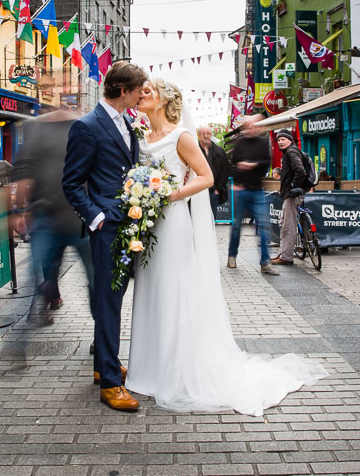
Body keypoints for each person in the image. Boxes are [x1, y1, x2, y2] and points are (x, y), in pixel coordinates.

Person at [125, 79, 327, 415]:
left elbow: (204, 176)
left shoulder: (181, 136)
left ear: (163, 100)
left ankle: (175, 371)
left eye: (148, 91)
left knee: (174, 289)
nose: (141, 95)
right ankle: (148, 368)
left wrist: (169, 195)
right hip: (148, 223)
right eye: (141, 91)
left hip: (173, 222)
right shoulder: (142, 137)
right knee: (150, 288)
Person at [62, 62, 148, 412]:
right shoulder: (86, 126)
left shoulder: (128, 122)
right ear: (124, 90)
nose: (143, 94)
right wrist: (97, 218)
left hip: (128, 225)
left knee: (112, 301)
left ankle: (103, 365)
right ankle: (111, 384)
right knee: (109, 304)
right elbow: (71, 183)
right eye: (139, 89)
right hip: (107, 228)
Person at [13, 109, 95, 325]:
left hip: (82, 219)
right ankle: (41, 309)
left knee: (96, 279)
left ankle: (101, 332)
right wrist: (20, 210)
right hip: (46, 216)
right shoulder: (36, 127)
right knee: (41, 274)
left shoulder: (87, 125)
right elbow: (24, 170)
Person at [225, 115, 276, 274]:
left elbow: (266, 163)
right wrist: (236, 181)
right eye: (249, 125)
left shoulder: (263, 143)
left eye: (254, 125)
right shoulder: (239, 142)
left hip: (257, 190)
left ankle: (265, 262)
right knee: (236, 226)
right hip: (241, 190)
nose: (252, 128)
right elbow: (232, 165)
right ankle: (232, 256)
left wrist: (252, 164)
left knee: (263, 226)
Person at [271, 129, 305, 266]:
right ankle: (285, 252)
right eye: (278, 140)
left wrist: (293, 186)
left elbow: (300, 170)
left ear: (290, 140)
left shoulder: (291, 152)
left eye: (283, 139)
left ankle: (286, 257)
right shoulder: (289, 152)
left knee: (287, 226)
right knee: (283, 223)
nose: (280, 142)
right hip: (289, 193)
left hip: (292, 194)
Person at [197, 125, 229, 215]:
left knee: (212, 218)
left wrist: (218, 189)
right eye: (203, 134)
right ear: (199, 135)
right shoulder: (195, 150)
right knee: (198, 217)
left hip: (213, 192)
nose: (206, 136)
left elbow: (225, 171)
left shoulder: (219, 151)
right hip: (197, 192)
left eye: (208, 133)